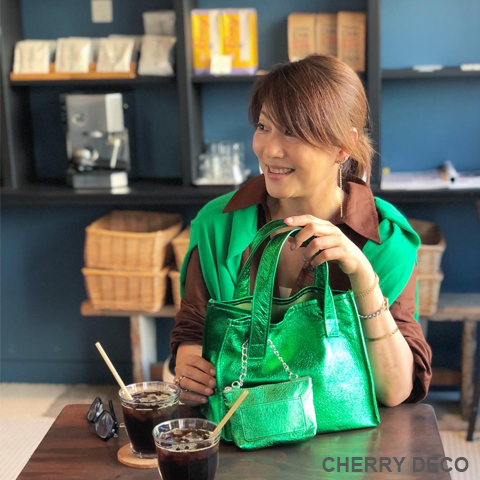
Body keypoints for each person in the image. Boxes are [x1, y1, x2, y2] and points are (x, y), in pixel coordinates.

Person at [170, 54, 432, 408]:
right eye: (263, 127)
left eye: (292, 132)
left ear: (343, 146)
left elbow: (395, 390)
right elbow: (194, 329)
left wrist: (362, 274)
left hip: (344, 435)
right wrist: (190, 366)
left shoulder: (384, 242)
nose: (269, 150)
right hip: (244, 424)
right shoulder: (218, 224)